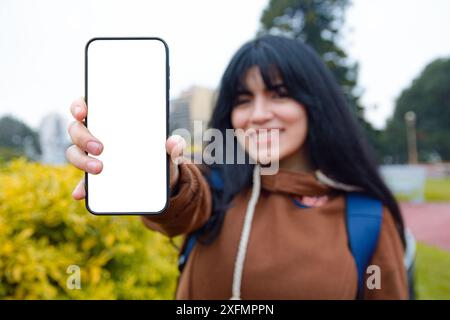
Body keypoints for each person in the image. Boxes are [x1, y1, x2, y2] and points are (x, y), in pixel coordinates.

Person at [66, 35, 409, 299]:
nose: (259, 114)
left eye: (278, 94)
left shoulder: (366, 216)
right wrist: (161, 174)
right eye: (243, 100)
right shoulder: (215, 188)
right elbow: (183, 199)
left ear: (315, 105)